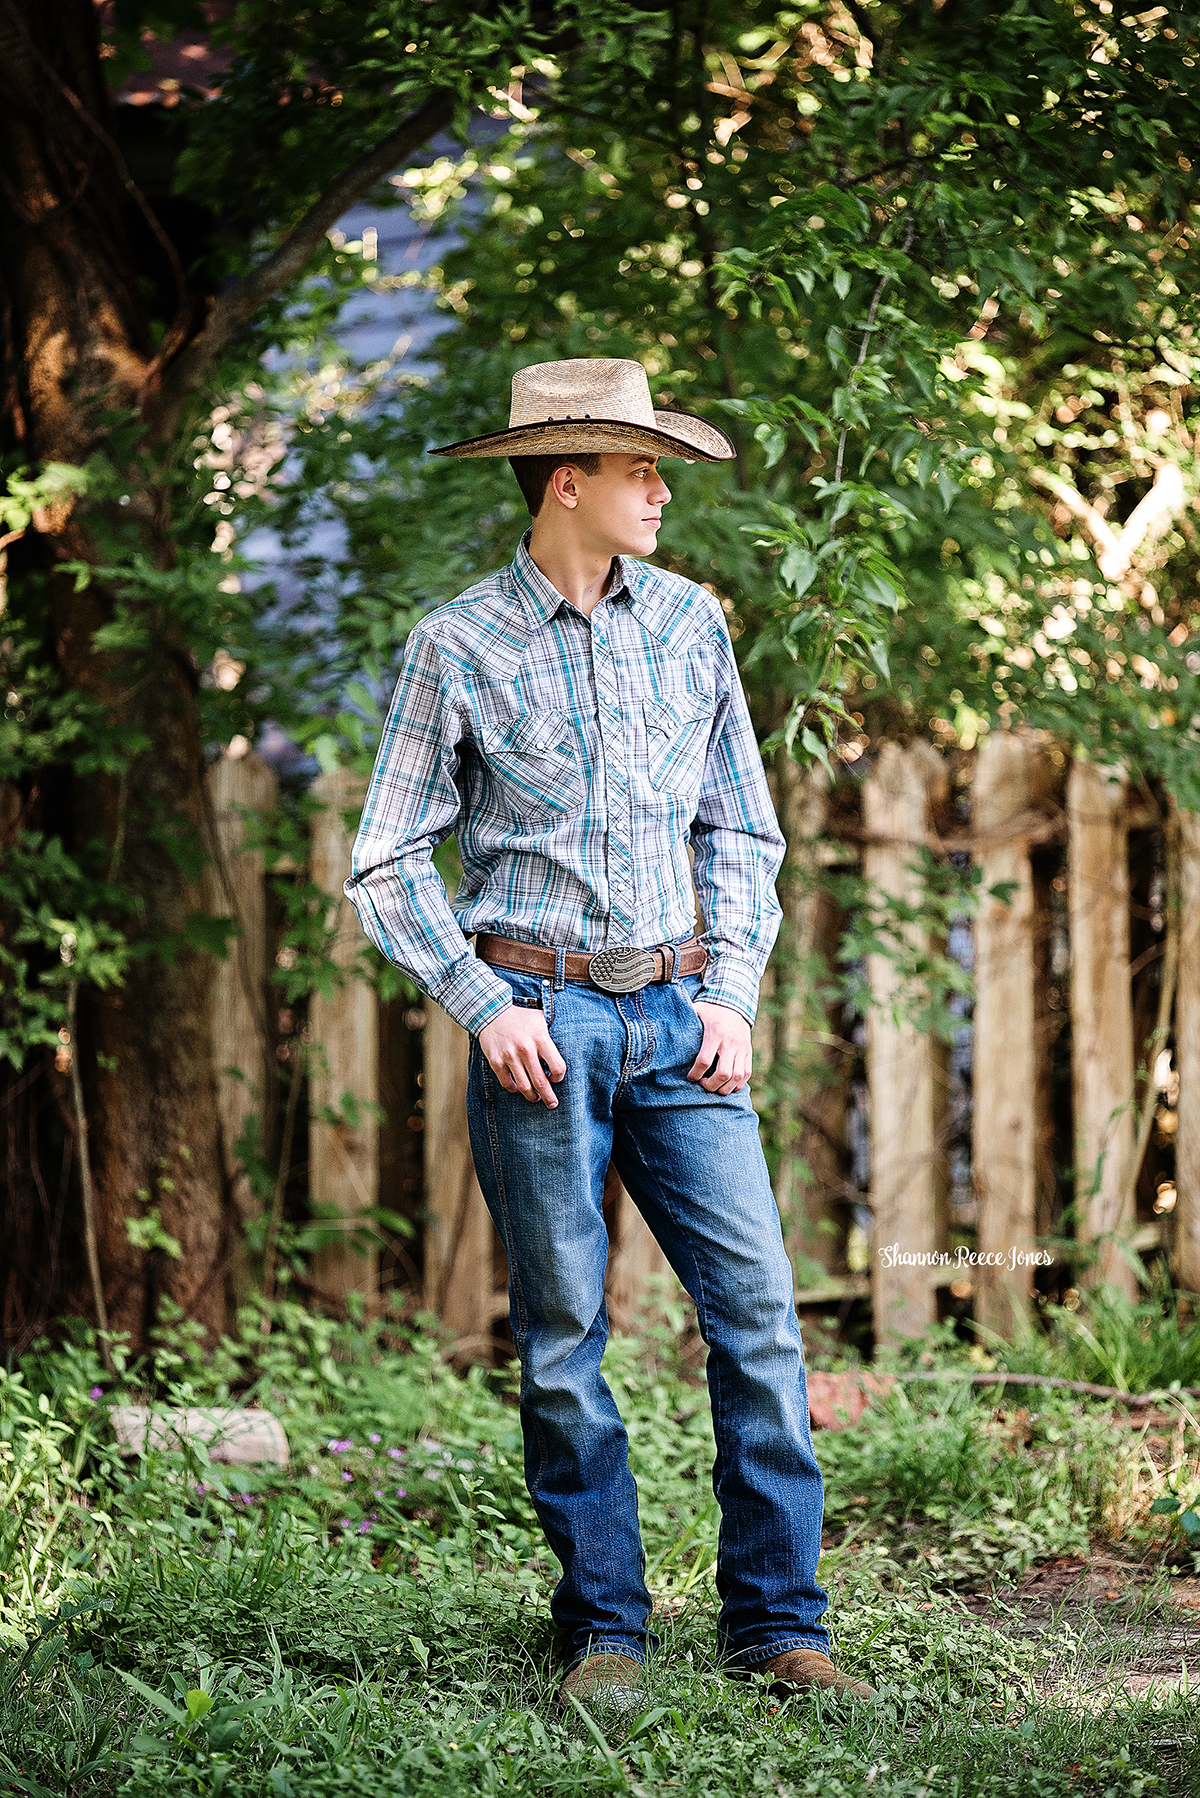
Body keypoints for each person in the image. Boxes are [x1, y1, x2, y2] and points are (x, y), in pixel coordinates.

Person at [346, 358, 875, 1708]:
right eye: (641, 469)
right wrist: (482, 1002)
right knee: (566, 1336)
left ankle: (778, 1626)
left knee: (757, 1320)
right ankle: (606, 1635)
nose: (661, 489)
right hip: (542, 1022)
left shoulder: (695, 624)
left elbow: (743, 828)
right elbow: (385, 860)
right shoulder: (455, 647)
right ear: (565, 482)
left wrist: (736, 991)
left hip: (682, 1020)